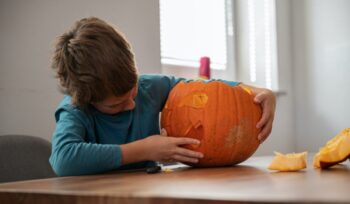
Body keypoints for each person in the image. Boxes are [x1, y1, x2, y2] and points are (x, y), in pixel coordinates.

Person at [49, 17, 276, 176]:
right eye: (116, 104)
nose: (131, 104)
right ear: (88, 100)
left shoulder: (149, 87)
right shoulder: (75, 109)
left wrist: (257, 92)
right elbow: (64, 159)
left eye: (133, 91)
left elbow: (205, 89)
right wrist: (146, 150)